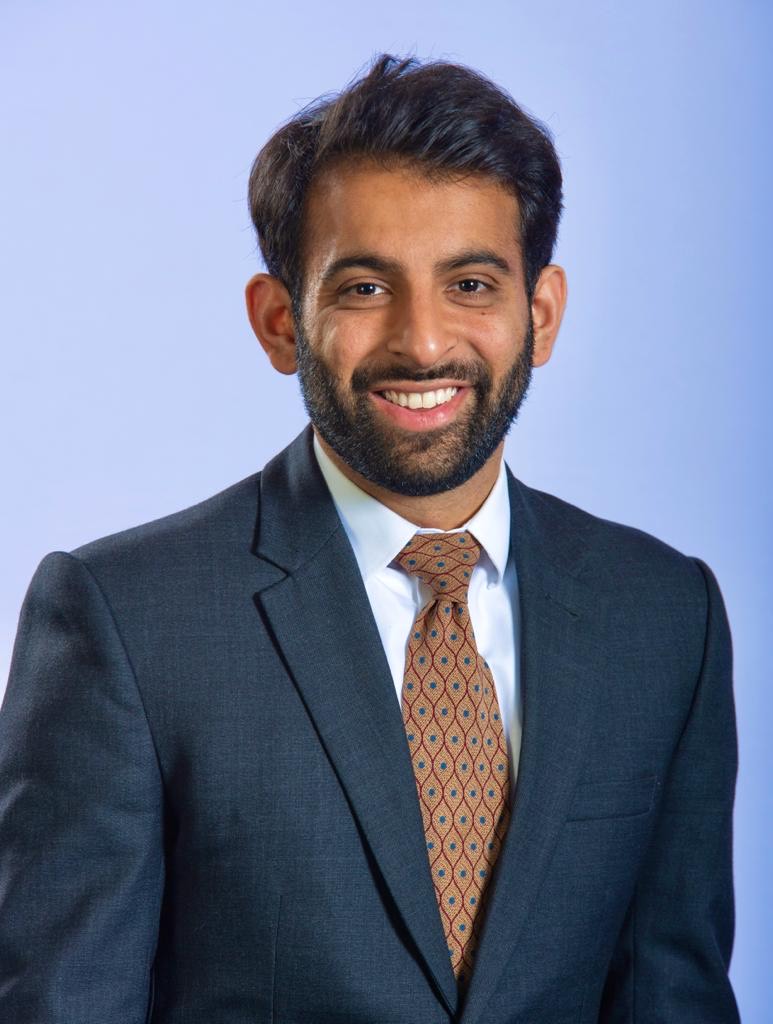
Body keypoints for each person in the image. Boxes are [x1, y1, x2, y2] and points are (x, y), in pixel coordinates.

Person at [0, 53, 740, 1023]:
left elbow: (672, 997)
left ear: (540, 313)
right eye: (361, 289)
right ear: (278, 323)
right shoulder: (126, 622)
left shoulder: (661, 617)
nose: (423, 341)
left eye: (471, 283)